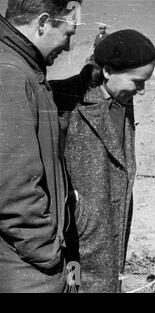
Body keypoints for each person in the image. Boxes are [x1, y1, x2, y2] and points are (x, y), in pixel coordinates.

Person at [50, 29, 155, 293]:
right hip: (77, 239)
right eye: (137, 81)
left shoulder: (122, 100)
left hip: (110, 232)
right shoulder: (63, 99)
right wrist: (78, 207)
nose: (141, 90)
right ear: (107, 71)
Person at [0, 0, 81, 293]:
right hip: (24, 270)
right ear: (43, 22)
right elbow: (13, 187)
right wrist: (47, 253)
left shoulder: (23, 68)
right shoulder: (10, 72)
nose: (70, 47)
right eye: (68, 34)